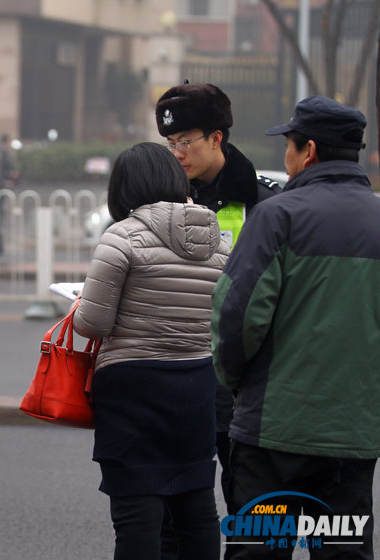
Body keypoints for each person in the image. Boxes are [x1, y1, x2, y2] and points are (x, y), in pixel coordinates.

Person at [211, 96, 380, 559]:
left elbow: (237, 316)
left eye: (289, 145)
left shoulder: (277, 216)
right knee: (343, 551)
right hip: (353, 431)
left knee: (259, 550)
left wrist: (235, 383)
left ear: (307, 151)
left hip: (272, 432)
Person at [73, 142, 228, 560]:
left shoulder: (121, 237)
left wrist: (78, 306)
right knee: (197, 508)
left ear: (123, 188)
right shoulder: (219, 241)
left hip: (132, 387)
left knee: (137, 512)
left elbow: (93, 324)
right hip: (197, 383)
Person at [155, 82, 281, 514]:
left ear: (216, 138)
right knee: (179, 511)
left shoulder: (265, 204)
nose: (177, 153)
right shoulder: (160, 201)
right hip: (178, 376)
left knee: (254, 510)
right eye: (170, 143)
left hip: (244, 384)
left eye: (186, 142)